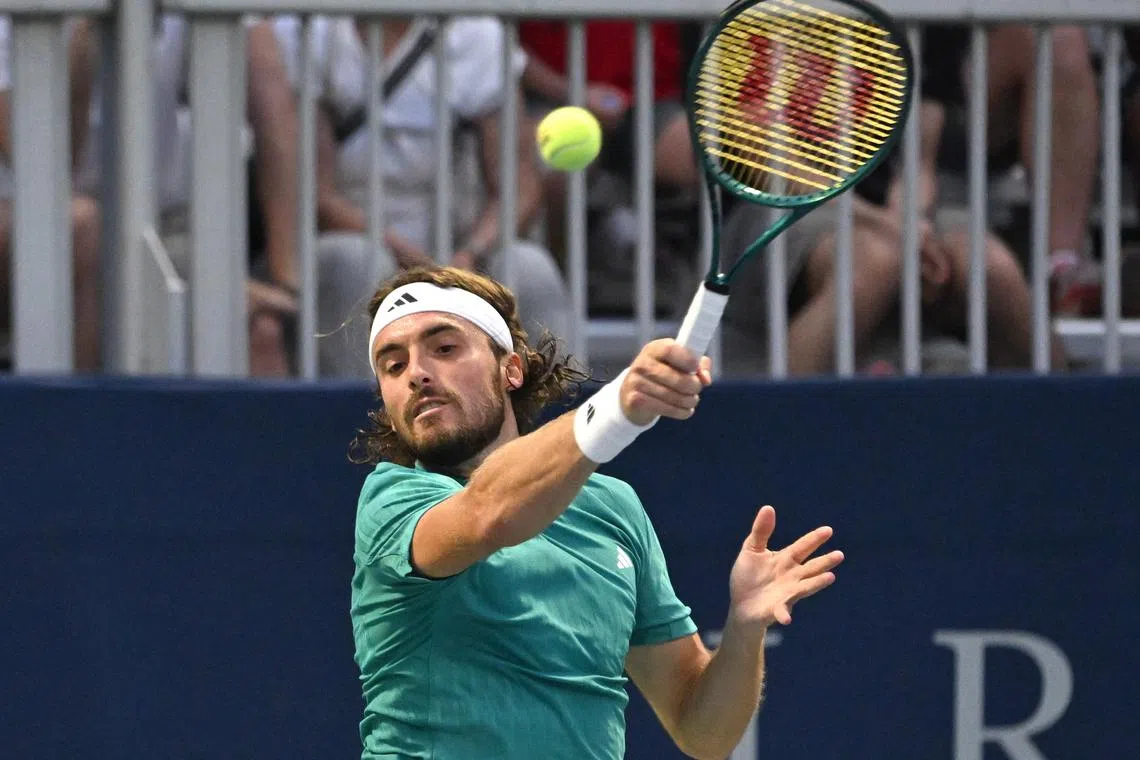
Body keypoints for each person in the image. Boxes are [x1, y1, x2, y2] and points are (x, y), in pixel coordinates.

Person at [345, 264, 843, 759]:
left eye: (445, 348)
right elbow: (489, 513)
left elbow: (704, 733)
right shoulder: (392, 501)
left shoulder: (614, 508)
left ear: (511, 368)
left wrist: (743, 628)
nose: (417, 374)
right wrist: (616, 409)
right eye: (393, 365)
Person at [272, 15, 571, 379]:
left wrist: (467, 257)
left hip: (464, 247)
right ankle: (361, 422)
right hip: (355, 238)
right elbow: (319, 195)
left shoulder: (481, 36)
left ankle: (549, 425)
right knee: (354, 261)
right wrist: (414, 261)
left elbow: (518, 188)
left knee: (530, 267)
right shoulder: (308, 32)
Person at [718, 97, 1068, 377]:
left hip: (901, 208)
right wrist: (894, 230)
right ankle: (779, 429)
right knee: (874, 263)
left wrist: (914, 224)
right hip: (780, 200)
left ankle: (1063, 429)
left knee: (991, 266)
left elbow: (924, 136)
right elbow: (756, 149)